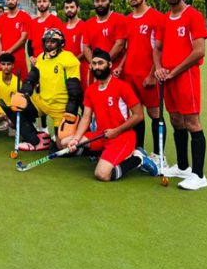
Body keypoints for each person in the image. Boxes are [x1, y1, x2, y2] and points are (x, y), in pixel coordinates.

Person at [61, 48, 157, 182]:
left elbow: (139, 115)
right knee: (65, 143)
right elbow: (86, 117)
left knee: (102, 174)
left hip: (122, 137)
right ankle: (106, 154)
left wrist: (116, 131)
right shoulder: (91, 90)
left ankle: (138, 159)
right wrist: (76, 139)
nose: (97, 67)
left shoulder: (122, 87)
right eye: (94, 64)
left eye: (100, 63)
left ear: (110, 65)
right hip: (102, 135)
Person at [153, 0, 207, 190]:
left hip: (186, 77)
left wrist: (174, 71)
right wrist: (158, 68)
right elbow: (157, 48)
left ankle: (199, 174)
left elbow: (199, 51)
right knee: (176, 120)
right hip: (168, 78)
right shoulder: (164, 19)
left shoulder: (193, 16)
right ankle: (183, 166)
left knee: (192, 122)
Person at [14, 28, 82, 151]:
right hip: (42, 102)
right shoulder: (41, 57)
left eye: (53, 41)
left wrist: (71, 113)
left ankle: (78, 126)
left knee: (62, 147)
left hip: (60, 108)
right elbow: (31, 78)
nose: (49, 44)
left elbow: (74, 90)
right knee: (17, 106)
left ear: (61, 43)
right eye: (47, 41)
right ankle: (36, 140)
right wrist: (23, 93)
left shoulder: (69, 59)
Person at [121, 0, 164, 153]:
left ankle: (158, 154)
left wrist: (153, 74)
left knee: (155, 115)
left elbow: (159, 49)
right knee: (136, 115)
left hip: (148, 75)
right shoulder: (128, 19)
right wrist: (121, 67)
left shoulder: (157, 18)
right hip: (130, 75)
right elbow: (128, 48)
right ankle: (139, 151)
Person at [82, 0, 127, 78]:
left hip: (115, 71)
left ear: (110, 2)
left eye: (103, 0)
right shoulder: (88, 24)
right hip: (97, 73)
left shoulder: (119, 19)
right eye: (97, 1)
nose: (100, 3)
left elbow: (120, 44)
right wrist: (95, 65)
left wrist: (104, 63)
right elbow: (86, 47)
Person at [0, 52, 28, 135]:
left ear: (13, 66)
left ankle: (10, 124)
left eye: (8, 64)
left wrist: (8, 116)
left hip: (11, 109)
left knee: (13, 120)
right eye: (3, 64)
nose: (6, 67)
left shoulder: (18, 81)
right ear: (0, 65)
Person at [0, 0, 30, 82]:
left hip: (18, 59)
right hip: (4, 61)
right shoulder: (1, 19)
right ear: (5, 1)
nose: (10, 1)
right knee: (2, 87)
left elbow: (23, 38)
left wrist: (8, 52)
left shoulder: (24, 16)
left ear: (17, 0)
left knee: (20, 88)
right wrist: (0, 54)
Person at [28, 0, 64, 67]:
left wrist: (47, 58)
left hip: (51, 62)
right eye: (39, 1)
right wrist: (31, 57)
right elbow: (30, 43)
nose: (41, 4)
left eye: (44, 1)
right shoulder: (32, 22)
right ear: (36, 4)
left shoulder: (56, 21)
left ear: (50, 4)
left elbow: (60, 44)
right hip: (36, 63)